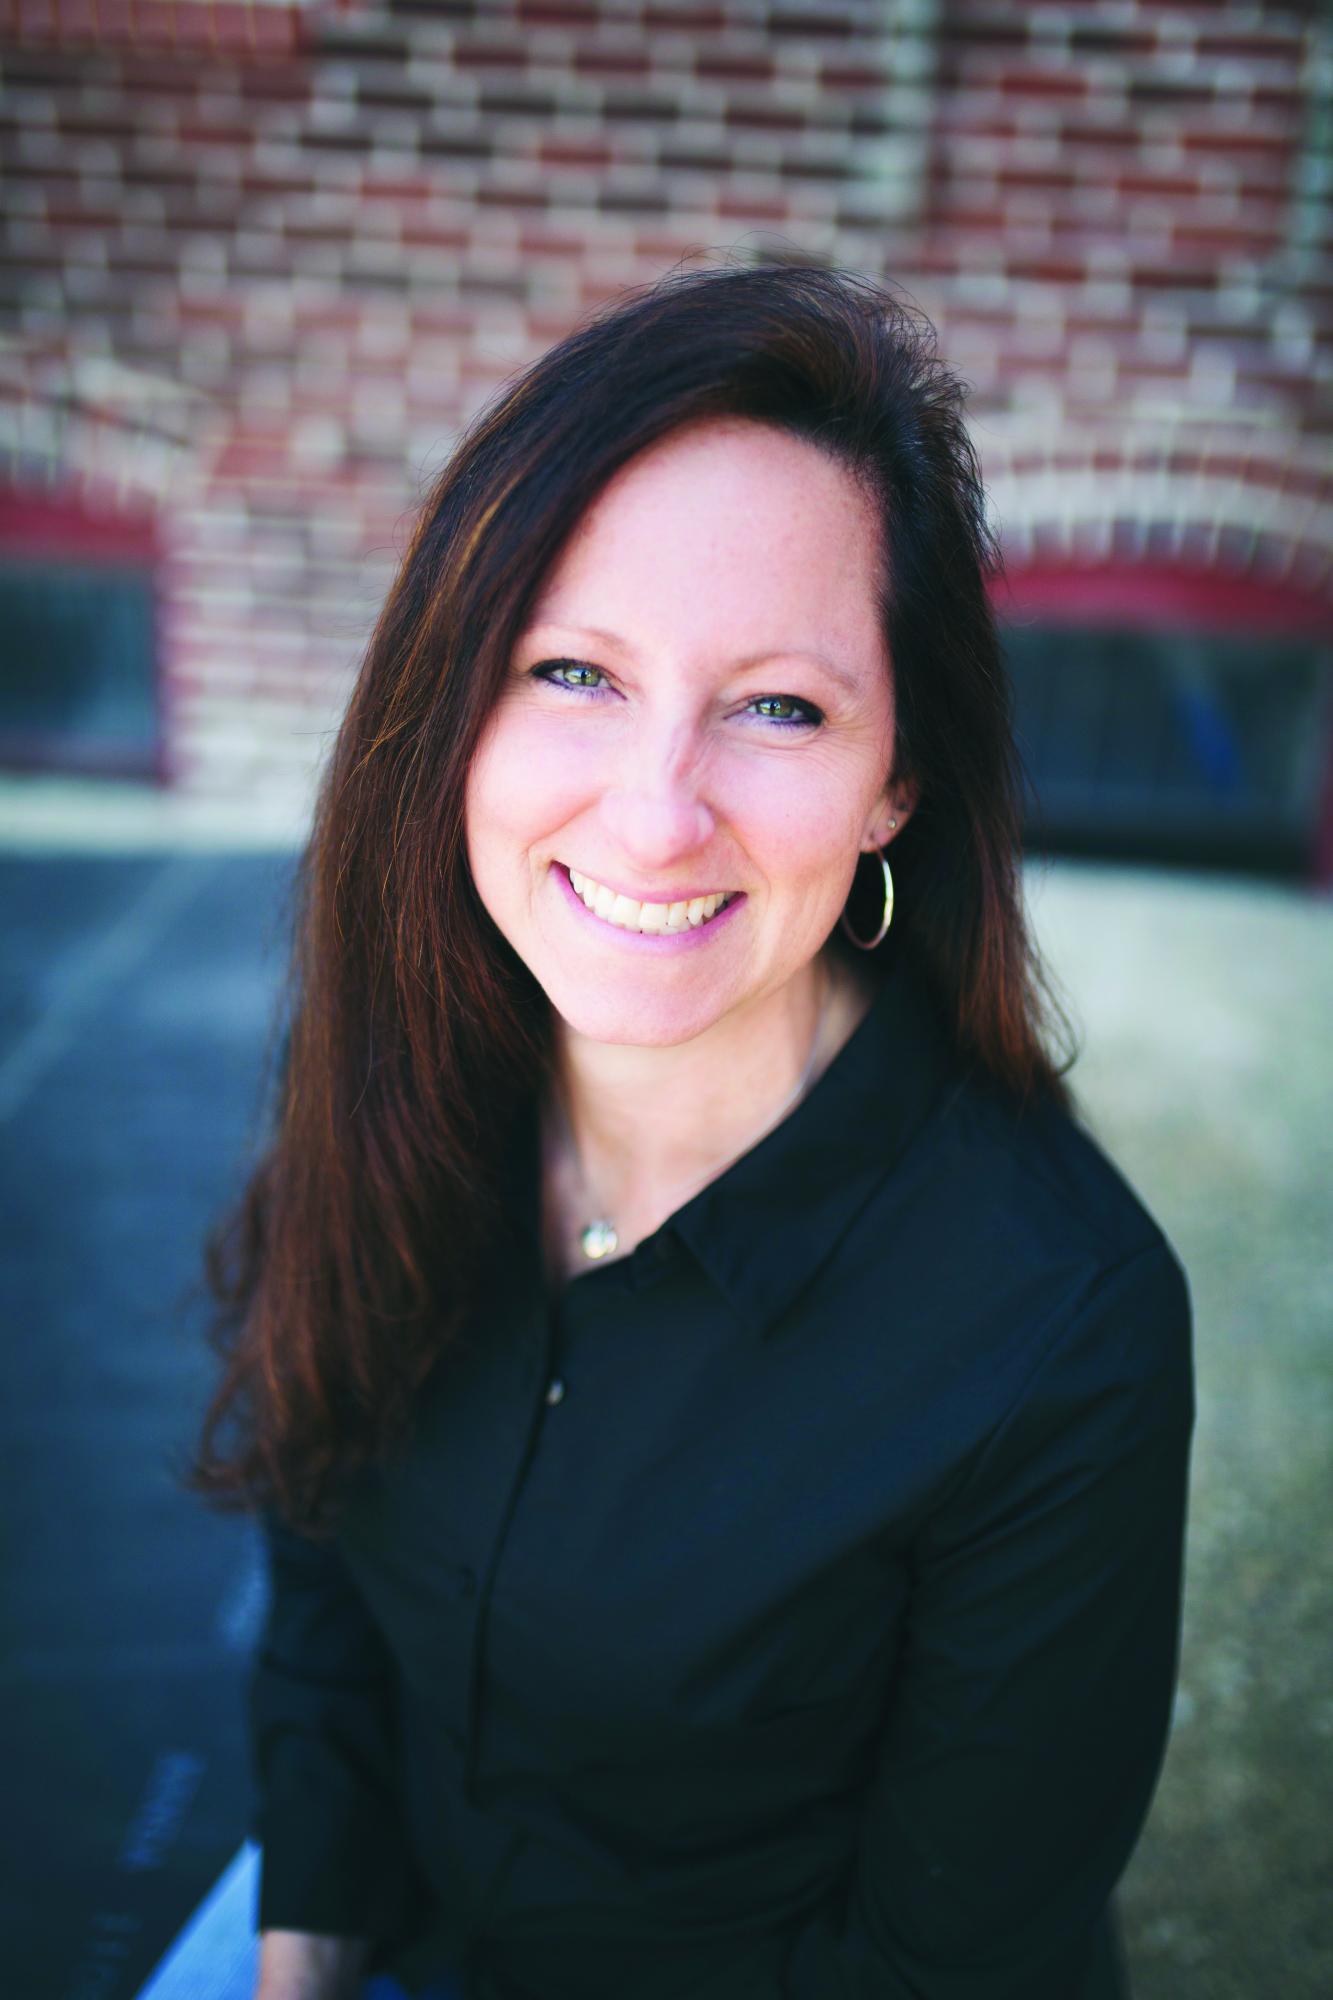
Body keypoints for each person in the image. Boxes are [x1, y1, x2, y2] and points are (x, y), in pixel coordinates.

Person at [185, 261, 1195, 2000]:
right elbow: (329, 1610)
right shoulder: (395, 1076)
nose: (654, 818)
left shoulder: (1058, 1332)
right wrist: (300, 1969)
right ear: (451, 713)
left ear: (899, 780)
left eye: (777, 705)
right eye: (573, 672)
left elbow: (934, 1964)